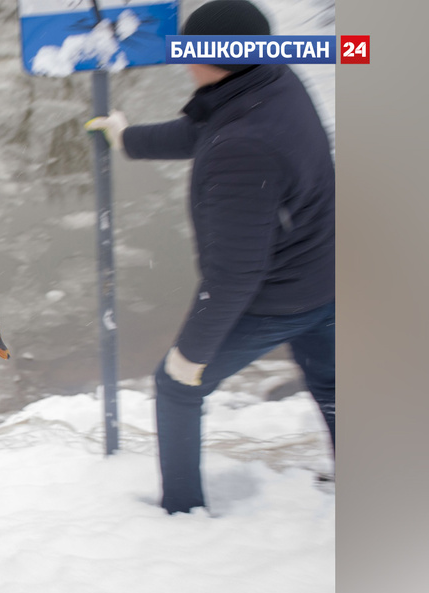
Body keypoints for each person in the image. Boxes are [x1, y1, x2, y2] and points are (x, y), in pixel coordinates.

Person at [85, 0, 335, 514]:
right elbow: (208, 127)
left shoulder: (242, 147)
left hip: (279, 296)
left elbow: (236, 273)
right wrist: (127, 138)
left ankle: (183, 512)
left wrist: (191, 355)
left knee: (177, 385)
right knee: (330, 380)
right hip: (327, 273)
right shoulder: (272, 78)